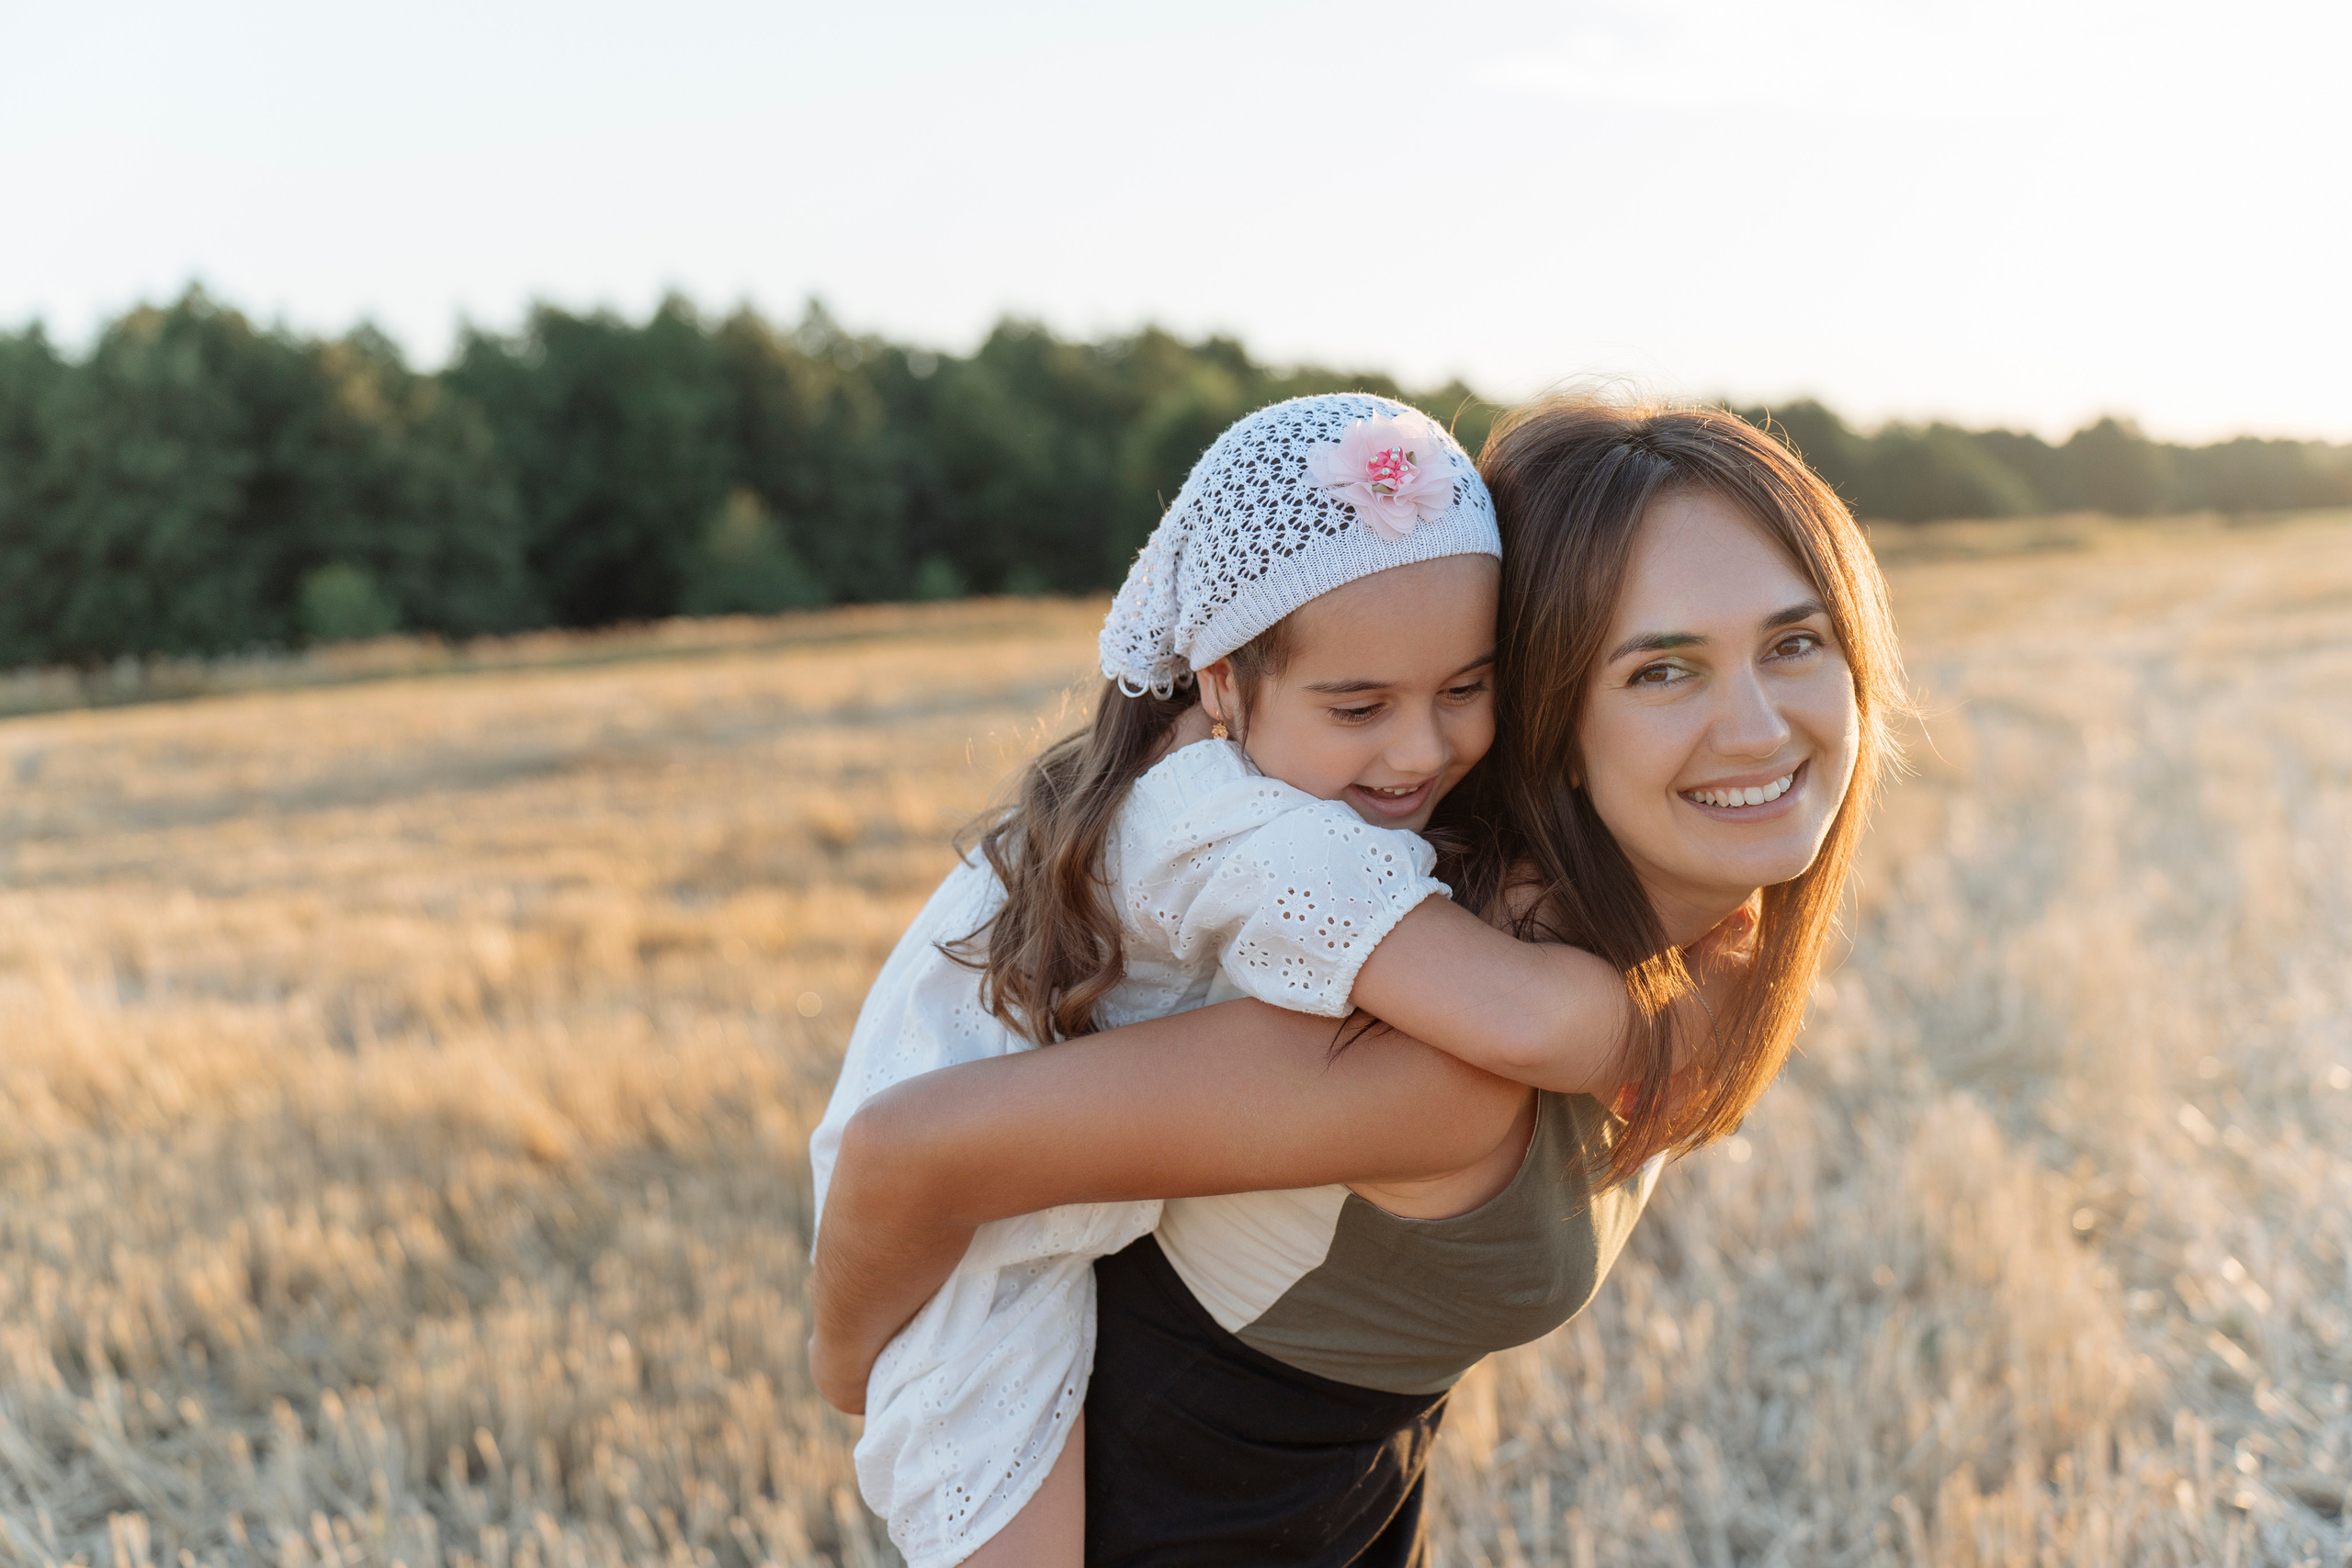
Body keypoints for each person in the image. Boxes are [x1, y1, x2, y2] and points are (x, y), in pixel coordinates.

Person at [814, 395, 1908, 1565]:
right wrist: (848, 1363)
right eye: (1660, 671)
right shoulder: (1428, 1025)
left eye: (1795, 643)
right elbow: (905, 1149)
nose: (1754, 727)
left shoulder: (1663, 928)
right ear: (1556, 713)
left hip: (1335, 1496)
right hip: (1161, 1491)